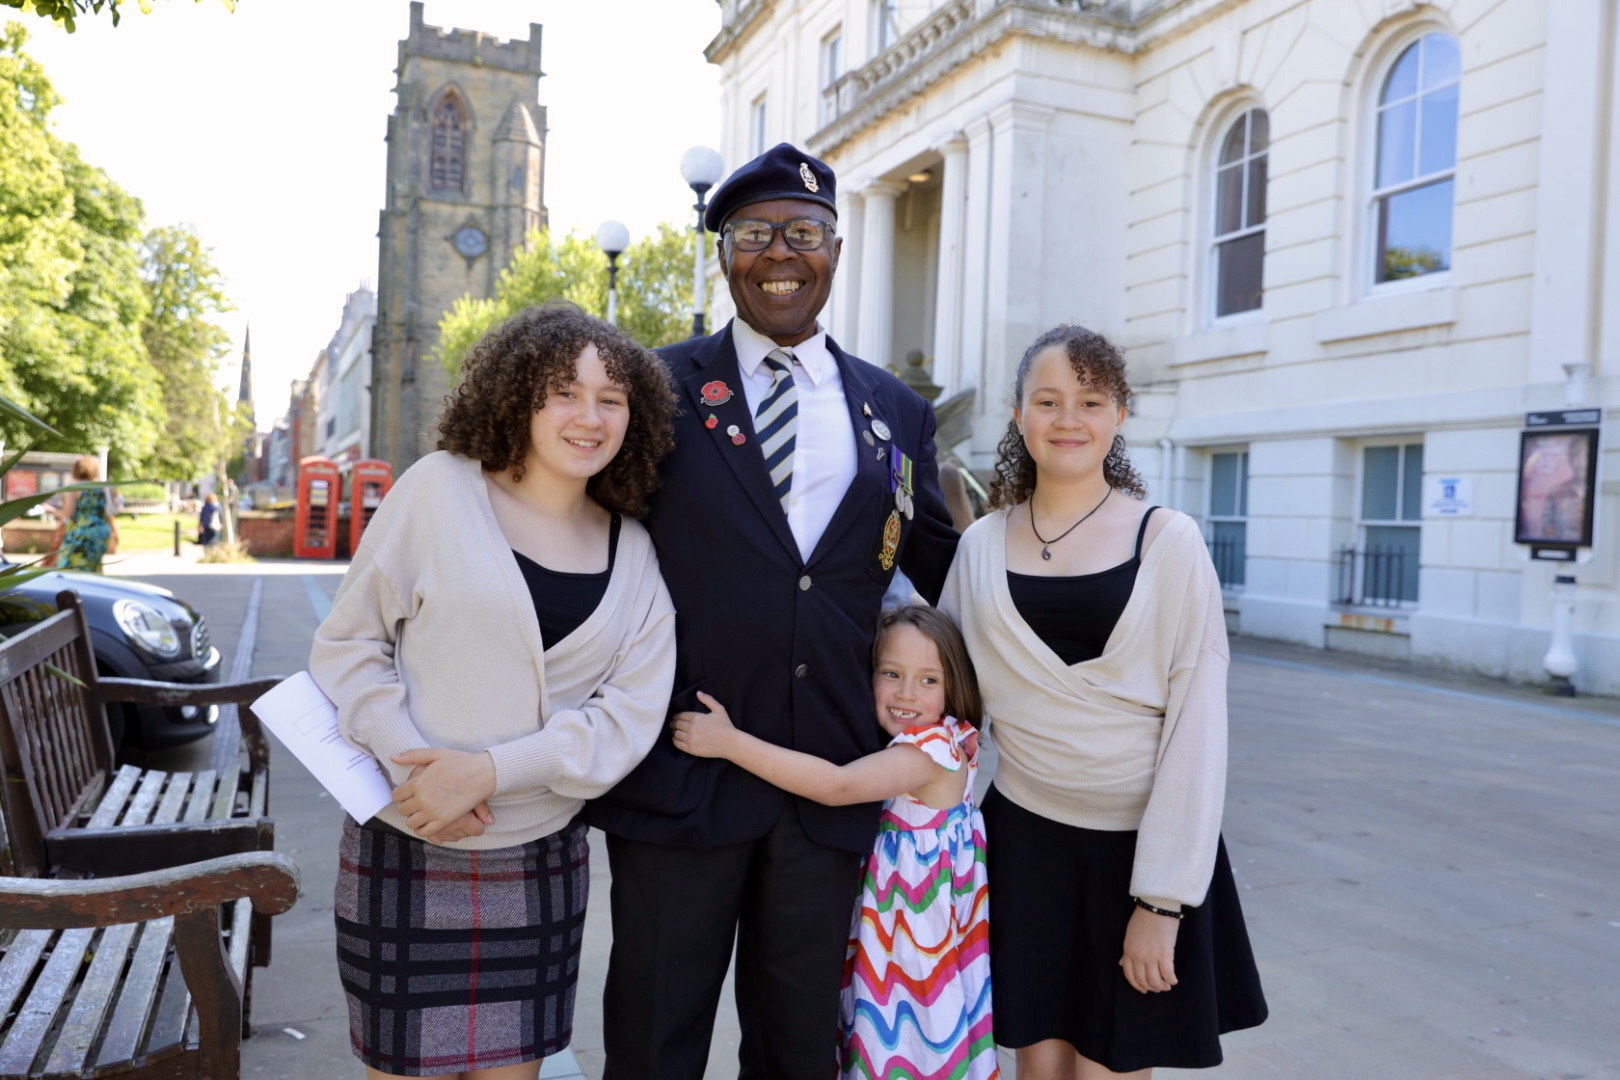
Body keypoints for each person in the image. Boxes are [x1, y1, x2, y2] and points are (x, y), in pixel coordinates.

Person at [585, 143, 960, 1080]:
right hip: (679, 772)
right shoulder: (657, 388)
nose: (779, 253)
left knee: (798, 1050)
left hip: (826, 776)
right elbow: (578, 541)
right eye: (753, 233)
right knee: (653, 1037)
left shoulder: (896, 413)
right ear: (722, 253)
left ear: (835, 250)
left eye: (804, 232)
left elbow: (952, 570)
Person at [307, 304, 678, 1080]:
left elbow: (626, 721)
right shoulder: (438, 490)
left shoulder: (636, 552)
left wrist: (487, 772)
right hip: (406, 840)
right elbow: (349, 646)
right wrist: (412, 768)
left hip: (537, 859)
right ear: (518, 396)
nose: (589, 415)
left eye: (611, 398)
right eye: (563, 392)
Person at [940, 324, 1267, 1078]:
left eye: (1090, 401)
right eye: (1047, 400)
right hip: (1024, 843)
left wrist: (1162, 903)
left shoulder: (1169, 541)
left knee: (1109, 1069)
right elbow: (950, 703)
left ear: (1119, 414)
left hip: (1139, 854)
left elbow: (1198, 726)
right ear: (1018, 414)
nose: (1068, 419)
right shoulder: (980, 547)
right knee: (1040, 1065)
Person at [671, 604, 996, 1080]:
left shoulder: (930, 751)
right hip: (905, 932)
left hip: (912, 948)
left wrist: (730, 742)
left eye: (929, 680)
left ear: (955, 686)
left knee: (905, 1046)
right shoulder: (944, 737)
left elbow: (838, 786)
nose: (907, 693)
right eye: (891, 673)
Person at [53, 455, 119, 572]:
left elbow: (68, 513)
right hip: (100, 532)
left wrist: (51, 510)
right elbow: (111, 511)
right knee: (93, 566)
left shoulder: (74, 487)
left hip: (81, 533)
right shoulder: (105, 487)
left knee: (69, 567)